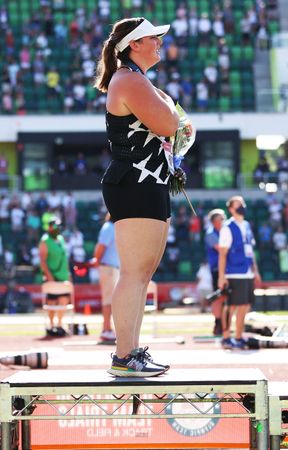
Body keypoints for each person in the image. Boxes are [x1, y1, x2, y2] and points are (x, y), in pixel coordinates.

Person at [94, 17, 180, 376]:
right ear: (133, 45)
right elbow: (171, 125)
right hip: (136, 181)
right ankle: (123, 355)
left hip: (147, 180)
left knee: (141, 274)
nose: (159, 42)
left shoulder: (135, 79)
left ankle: (131, 353)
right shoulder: (129, 79)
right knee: (133, 273)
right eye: (152, 37)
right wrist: (173, 113)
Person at [218, 196, 261, 350]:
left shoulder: (247, 225)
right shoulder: (227, 227)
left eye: (243, 204)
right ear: (231, 209)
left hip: (248, 271)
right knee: (231, 306)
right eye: (238, 205)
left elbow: (250, 250)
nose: (242, 207)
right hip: (234, 272)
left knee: (245, 306)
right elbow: (222, 254)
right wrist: (222, 276)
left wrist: (255, 270)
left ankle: (238, 336)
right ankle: (226, 338)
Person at [39, 217, 72, 337]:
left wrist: (68, 274)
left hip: (63, 276)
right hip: (52, 276)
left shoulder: (61, 239)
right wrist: (49, 276)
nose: (58, 229)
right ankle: (52, 325)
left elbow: (64, 258)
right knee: (52, 302)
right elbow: (42, 260)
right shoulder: (45, 241)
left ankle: (59, 324)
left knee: (63, 301)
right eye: (56, 226)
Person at [90, 213, 119, 343]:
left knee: (112, 300)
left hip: (113, 267)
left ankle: (109, 328)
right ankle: (106, 329)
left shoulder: (113, 227)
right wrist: (96, 261)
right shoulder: (109, 227)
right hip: (108, 267)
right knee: (109, 299)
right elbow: (101, 247)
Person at [204, 208, 226, 335]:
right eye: (221, 218)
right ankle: (218, 323)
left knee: (225, 297)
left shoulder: (224, 231)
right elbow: (222, 250)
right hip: (217, 269)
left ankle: (224, 323)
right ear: (214, 221)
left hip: (227, 269)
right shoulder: (211, 234)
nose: (224, 220)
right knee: (218, 296)